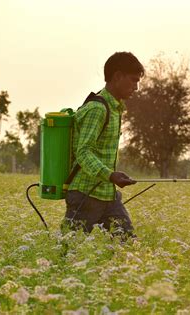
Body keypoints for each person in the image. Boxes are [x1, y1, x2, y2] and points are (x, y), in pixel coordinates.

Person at [63, 52, 144, 238]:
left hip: (107, 194)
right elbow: (83, 152)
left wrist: (112, 178)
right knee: (69, 251)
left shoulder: (115, 109)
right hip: (86, 194)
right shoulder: (98, 109)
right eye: (133, 80)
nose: (136, 87)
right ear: (117, 77)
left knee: (126, 245)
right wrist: (110, 175)